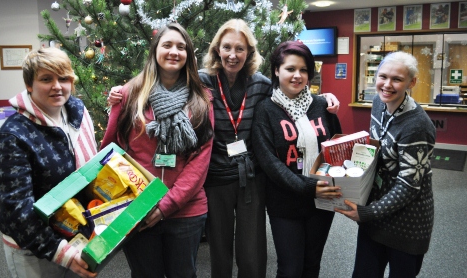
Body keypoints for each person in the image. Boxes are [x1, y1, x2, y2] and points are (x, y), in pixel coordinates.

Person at [107, 18, 340, 277]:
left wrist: (324, 98)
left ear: (249, 52)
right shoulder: (200, 82)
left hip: (251, 175)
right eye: (227, 47)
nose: (233, 55)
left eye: (240, 49)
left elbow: (291, 89)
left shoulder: (261, 83)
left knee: (252, 254)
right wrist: (121, 92)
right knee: (220, 250)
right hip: (215, 175)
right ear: (217, 49)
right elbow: (160, 87)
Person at [100, 22, 214, 277]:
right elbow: (111, 149)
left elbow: (200, 161)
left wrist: (165, 206)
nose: (174, 51)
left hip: (186, 211)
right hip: (138, 209)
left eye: (181, 47)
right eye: (167, 45)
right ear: (155, 51)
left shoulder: (201, 99)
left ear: (188, 55)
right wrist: (115, 108)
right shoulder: (131, 93)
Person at [0, 47, 98, 278]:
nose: (57, 86)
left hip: (77, 235)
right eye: (46, 79)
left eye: (63, 78)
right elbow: (17, 210)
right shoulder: (14, 134)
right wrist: (63, 255)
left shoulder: (78, 113)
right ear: (29, 85)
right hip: (35, 249)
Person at [335, 51, 436, 278]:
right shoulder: (378, 104)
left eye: (397, 79)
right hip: (377, 213)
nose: (387, 85)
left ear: (412, 82)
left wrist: (368, 212)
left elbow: (409, 186)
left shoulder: (417, 125)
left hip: (407, 222)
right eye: (383, 76)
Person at [252, 41, 343, 278]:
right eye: (290, 69)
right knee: (290, 269)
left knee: (312, 265)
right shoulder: (265, 110)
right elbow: (269, 163)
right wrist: (310, 187)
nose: (297, 76)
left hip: (322, 202)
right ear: (276, 70)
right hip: (286, 203)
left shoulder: (323, 105)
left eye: (303, 70)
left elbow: (337, 149)